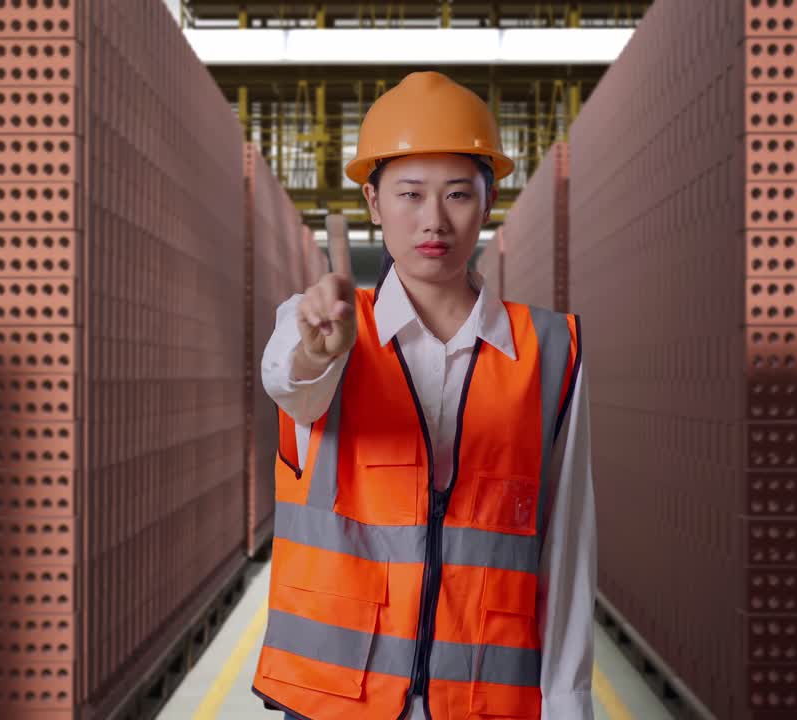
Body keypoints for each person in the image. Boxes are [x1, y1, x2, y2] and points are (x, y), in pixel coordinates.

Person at [251, 70, 596, 720]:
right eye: (409, 194)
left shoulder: (550, 350)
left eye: (458, 194)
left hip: (483, 700)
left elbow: (568, 547)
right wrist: (319, 350)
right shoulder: (319, 326)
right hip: (336, 703)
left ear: (488, 202)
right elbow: (291, 384)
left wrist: (569, 707)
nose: (433, 220)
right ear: (373, 201)